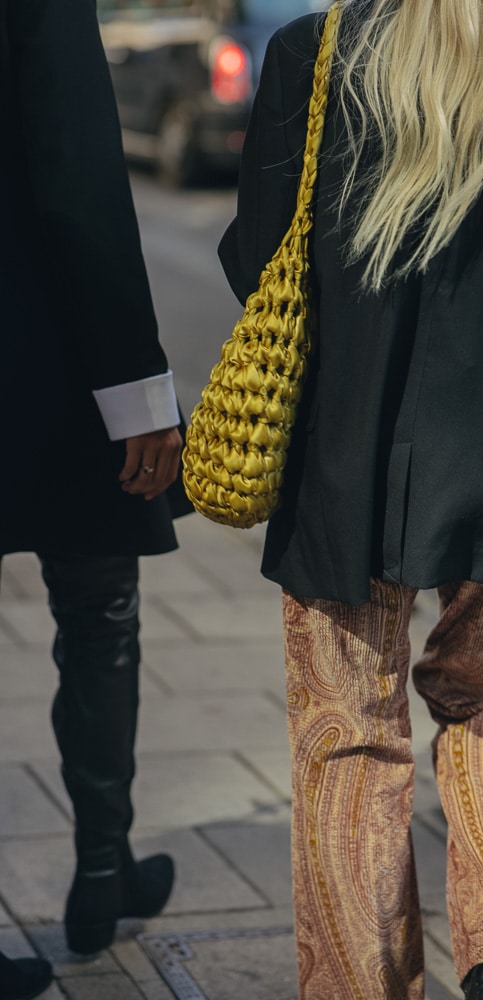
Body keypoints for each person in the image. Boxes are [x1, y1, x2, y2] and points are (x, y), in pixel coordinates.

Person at [218, 0, 483, 997]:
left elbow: (258, 257)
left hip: (344, 452)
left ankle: (360, 982)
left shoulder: (313, 49)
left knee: (345, 729)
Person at [0, 0, 191, 991]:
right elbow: (76, 168)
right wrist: (139, 389)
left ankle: (105, 878)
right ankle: (100, 871)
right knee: (97, 607)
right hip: (40, 350)